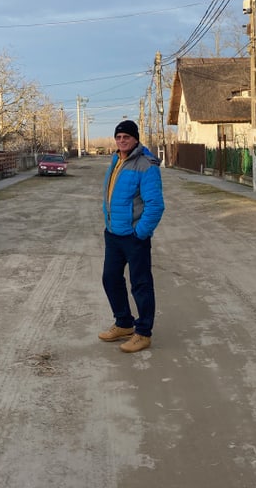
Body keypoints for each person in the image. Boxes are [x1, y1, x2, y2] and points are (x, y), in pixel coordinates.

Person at [99, 119, 165, 354]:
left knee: (141, 285)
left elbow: (155, 205)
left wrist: (141, 233)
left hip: (133, 237)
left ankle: (143, 333)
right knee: (110, 279)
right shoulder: (116, 160)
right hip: (113, 234)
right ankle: (124, 323)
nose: (122, 140)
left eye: (126, 137)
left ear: (135, 138)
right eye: (118, 137)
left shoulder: (146, 165)